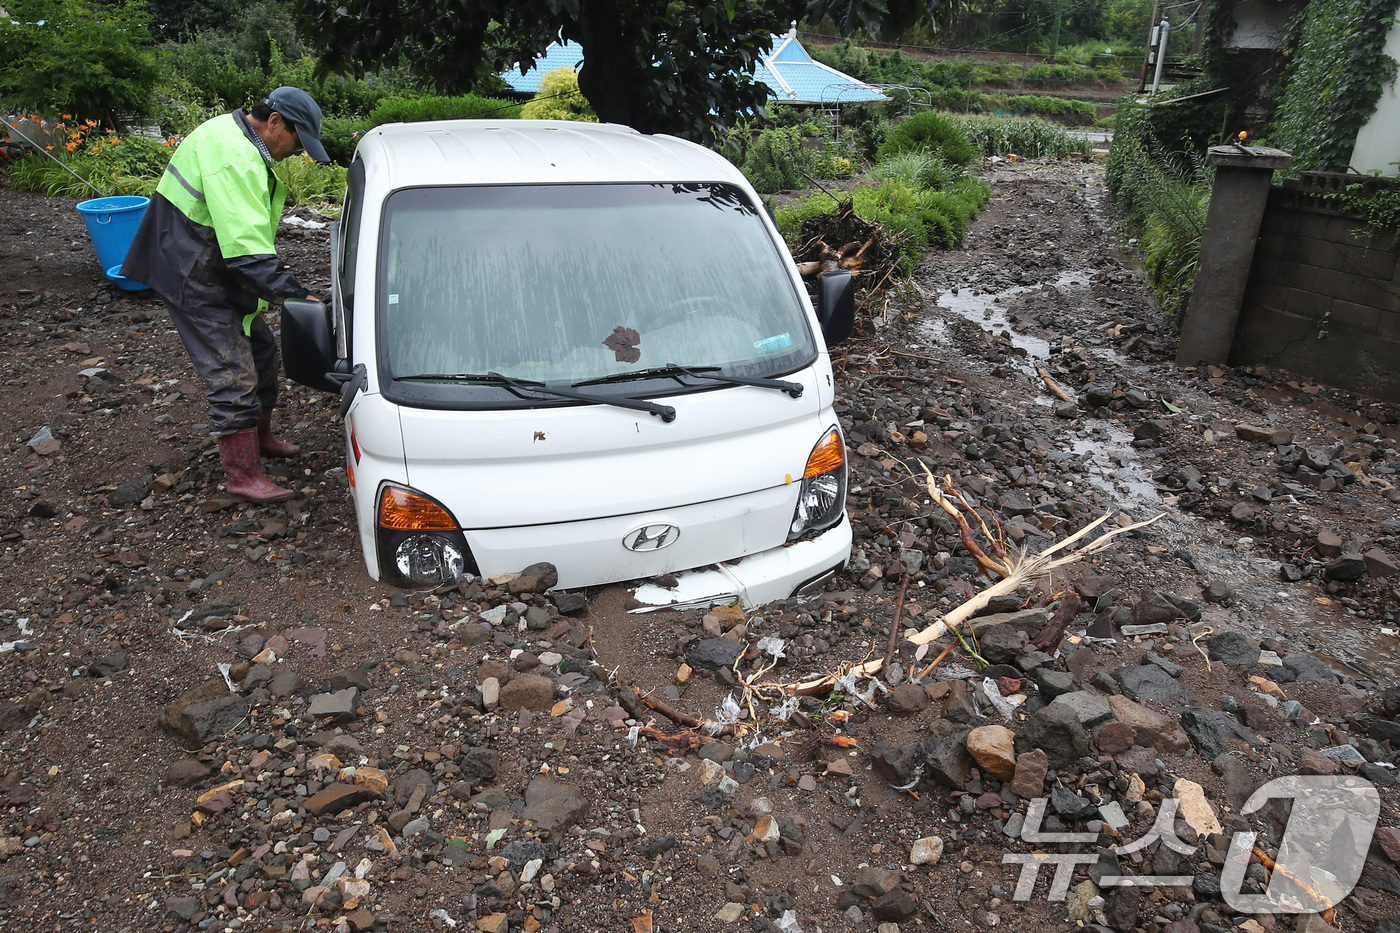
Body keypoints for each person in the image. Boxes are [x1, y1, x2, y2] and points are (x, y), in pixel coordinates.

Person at [122, 87, 331, 502]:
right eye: (297, 140)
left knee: (263, 352)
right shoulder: (234, 156)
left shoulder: (235, 136)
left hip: (209, 261)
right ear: (274, 123)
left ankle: (262, 437)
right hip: (191, 272)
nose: (297, 151)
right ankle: (242, 476)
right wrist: (295, 296)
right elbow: (248, 254)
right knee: (232, 371)